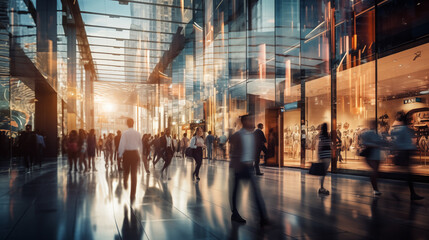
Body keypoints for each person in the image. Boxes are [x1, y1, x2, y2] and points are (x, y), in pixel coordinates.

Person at [229, 115, 268, 225]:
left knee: (255, 192)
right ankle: (235, 213)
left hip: (249, 167)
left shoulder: (253, 135)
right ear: (244, 122)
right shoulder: (238, 135)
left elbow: (258, 146)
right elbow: (231, 146)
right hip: (239, 167)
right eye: (250, 120)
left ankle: (262, 217)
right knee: (236, 192)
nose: (252, 122)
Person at [390, 111, 424, 201]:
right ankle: (400, 192)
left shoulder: (400, 129)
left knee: (407, 174)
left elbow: (394, 139)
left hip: (404, 153)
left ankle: (406, 193)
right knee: (408, 174)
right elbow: (406, 142)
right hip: (404, 153)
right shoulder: (405, 129)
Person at [118, 118, 143, 201]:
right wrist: (141, 154)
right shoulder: (138, 133)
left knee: (126, 171)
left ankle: (125, 180)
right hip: (135, 154)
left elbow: (122, 144)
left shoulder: (125, 133)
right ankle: (133, 194)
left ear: (127, 124)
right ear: (133, 123)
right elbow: (140, 145)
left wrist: (120, 154)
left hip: (127, 154)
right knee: (134, 174)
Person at [360, 120, 386, 196]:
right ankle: (375, 189)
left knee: (376, 171)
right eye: (374, 124)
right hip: (371, 155)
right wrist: (375, 145)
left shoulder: (377, 133)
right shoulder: (367, 133)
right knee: (374, 171)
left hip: (376, 155)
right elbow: (364, 143)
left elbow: (381, 142)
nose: (375, 125)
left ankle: (375, 188)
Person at [317, 123, 331, 195]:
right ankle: (322, 188)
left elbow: (319, 146)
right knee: (324, 173)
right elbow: (329, 145)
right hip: (328, 155)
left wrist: (318, 156)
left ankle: (322, 187)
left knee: (322, 173)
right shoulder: (328, 135)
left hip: (322, 155)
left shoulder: (321, 135)